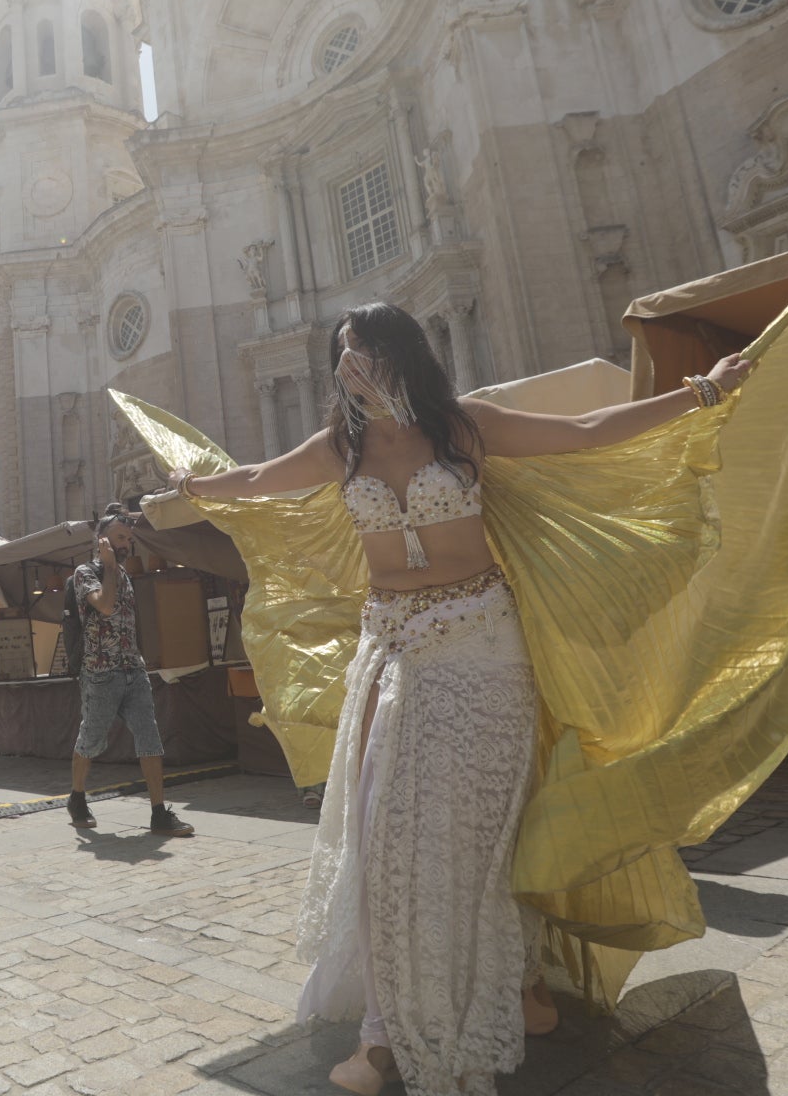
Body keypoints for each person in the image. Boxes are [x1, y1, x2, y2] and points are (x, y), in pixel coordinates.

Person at [169, 302, 751, 1095]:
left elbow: (586, 434)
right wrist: (195, 483)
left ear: (397, 353)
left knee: (472, 838)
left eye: (360, 350)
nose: (346, 366)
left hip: (482, 645)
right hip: (390, 649)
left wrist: (703, 393)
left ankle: (505, 992)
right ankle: (389, 1029)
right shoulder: (344, 444)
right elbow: (261, 482)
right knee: (383, 835)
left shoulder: (461, 426)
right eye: (340, 353)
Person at [61, 510, 194, 840]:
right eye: (120, 538)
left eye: (129, 540)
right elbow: (104, 606)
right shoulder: (85, 573)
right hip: (100, 674)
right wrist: (108, 566)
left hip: (133, 670)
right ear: (101, 540)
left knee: (149, 737)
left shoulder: (124, 575)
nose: (126, 545)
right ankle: (77, 797)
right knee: (91, 740)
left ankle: (159, 813)